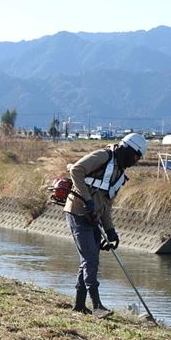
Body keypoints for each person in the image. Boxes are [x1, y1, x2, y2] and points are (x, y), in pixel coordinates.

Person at [64, 132, 147, 317]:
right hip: (77, 212)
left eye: (138, 159)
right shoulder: (103, 156)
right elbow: (76, 170)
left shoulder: (119, 174)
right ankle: (97, 306)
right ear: (128, 149)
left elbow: (107, 204)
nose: (135, 161)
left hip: (94, 218)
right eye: (135, 157)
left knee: (89, 260)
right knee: (90, 260)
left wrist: (110, 230)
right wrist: (87, 200)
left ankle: (79, 305)